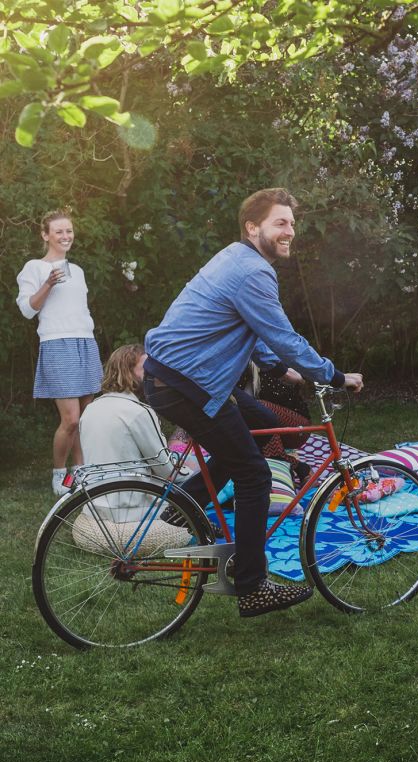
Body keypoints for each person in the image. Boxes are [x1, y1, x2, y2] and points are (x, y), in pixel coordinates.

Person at [142, 188, 364, 619]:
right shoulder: (253, 272)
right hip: (187, 385)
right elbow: (282, 337)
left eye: (292, 224)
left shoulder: (236, 259)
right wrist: (334, 376)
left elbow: (258, 339)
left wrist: (289, 373)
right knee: (254, 475)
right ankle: (251, 584)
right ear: (252, 227)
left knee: (262, 423)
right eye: (280, 223)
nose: (289, 232)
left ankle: (181, 508)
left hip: (181, 379)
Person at [16, 209, 103, 496]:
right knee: (71, 419)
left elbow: (81, 308)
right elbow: (28, 310)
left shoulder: (77, 270)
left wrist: (88, 334)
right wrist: (49, 283)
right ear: (46, 235)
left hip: (84, 342)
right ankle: (59, 475)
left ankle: (81, 472)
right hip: (56, 343)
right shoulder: (34, 268)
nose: (65, 236)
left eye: (69, 231)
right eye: (58, 232)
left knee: (87, 417)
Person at [73, 344, 191, 550]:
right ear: (128, 372)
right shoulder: (138, 412)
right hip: (131, 508)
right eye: (146, 370)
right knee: (203, 477)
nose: (152, 376)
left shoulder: (90, 409)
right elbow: (167, 470)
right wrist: (191, 471)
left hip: (97, 504)